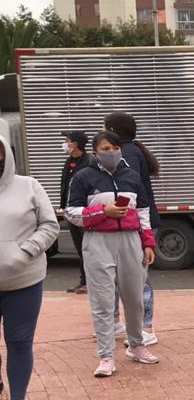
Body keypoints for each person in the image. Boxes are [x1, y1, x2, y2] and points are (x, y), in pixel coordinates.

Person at [65, 131, 161, 377]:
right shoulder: (83, 176)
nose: (111, 152)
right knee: (102, 302)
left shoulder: (131, 176)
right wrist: (102, 211)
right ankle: (106, 355)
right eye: (105, 148)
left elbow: (143, 212)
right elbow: (72, 212)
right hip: (98, 241)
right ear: (96, 151)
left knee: (135, 298)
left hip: (130, 241)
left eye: (114, 147)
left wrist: (148, 243)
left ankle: (137, 345)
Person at [0, 134, 58, 400]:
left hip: (23, 280)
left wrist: (26, 250)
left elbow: (49, 225)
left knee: (19, 342)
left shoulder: (29, 186)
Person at [104, 112, 160, 346]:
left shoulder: (128, 154)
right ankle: (119, 323)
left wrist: (118, 212)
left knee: (139, 278)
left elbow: (130, 191)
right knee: (118, 275)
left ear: (114, 130)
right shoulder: (129, 151)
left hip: (139, 223)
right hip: (131, 223)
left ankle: (146, 328)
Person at [59, 130, 92, 294]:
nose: (65, 143)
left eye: (67, 140)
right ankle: (84, 280)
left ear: (76, 144)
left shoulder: (89, 162)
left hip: (84, 212)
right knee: (80, 249)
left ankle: (91, 282)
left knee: (88, 248)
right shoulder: (69, 161)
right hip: (70, 210)